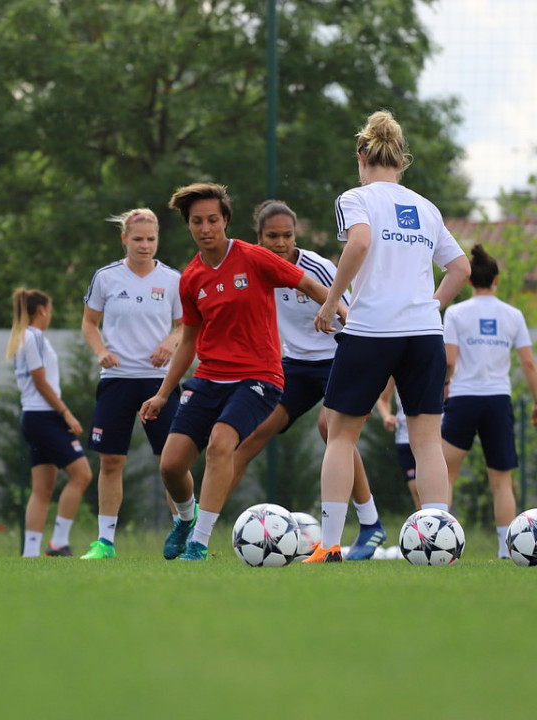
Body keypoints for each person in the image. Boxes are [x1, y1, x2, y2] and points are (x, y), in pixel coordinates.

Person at [138, 182, 341, 561]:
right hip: (210, 378)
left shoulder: (253, 257)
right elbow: (189, 342)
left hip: (260, 377)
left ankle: (198, 544)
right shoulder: (191, 279)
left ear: (226, 220)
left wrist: (342, 315)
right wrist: (163, 393)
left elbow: (310, 284)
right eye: (197, 221)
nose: (205, 228)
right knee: (171, 464)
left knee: (220, 444)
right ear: (189, 226)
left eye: (213, 219)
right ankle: (185, 519)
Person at [308, 109, 471, 563]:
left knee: (341, 436)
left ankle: (330, 545)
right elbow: (461, 269)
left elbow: (358, 243)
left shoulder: (355, 198)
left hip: (372, 329)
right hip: (424, 334)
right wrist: (432, 306)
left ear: (362, 155)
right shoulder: (426, 206)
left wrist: (330, 301)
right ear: (401, 160)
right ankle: (439, 545)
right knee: (427, 440)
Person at [230, 200, 387, 560]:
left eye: (287, 235)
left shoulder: (317, 267)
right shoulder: (253, 269)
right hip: (292, 367)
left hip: (337, 358)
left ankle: (371, 523)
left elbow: (351, 315)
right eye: (273, 236)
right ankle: (201, 533)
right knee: (250, 435)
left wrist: (370, 371)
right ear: (259, 237)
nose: (281, 242)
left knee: (330, 429)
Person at [79, 207, 191, 560]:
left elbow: (186, 326)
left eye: (151, 239)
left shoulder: (173, 279)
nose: (145, 246)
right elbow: (88, 323)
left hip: (160, 383)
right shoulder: (106, 278)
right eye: (138, 239)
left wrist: (170, 343)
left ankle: (187, 532)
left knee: (171, 462)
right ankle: (105, 543)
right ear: (124, 239)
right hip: (116, 381)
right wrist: (100, 351)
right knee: (111, 462)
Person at [441, 244, 537, 558]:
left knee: (446, 474)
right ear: (496, 280)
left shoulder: (455, 312)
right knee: (502, 481)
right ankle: (505, 551)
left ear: (469, 282)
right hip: (498, 401)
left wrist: (443, 385)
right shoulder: (513, 315)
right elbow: (528, 364)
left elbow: (450, 361)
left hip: (463, 400)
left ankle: (442, 543)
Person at [6, 288, 92, 557]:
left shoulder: (24, 338)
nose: (50, 315)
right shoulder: (34, 337)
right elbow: (41, 381)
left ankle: (30, 552)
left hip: (33, 417)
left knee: (42, 488)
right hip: (44, 417)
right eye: (50, 310)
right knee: (82, 475)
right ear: (42, 310)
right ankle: (58, 542)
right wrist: (65, 412)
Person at [376, 378, 420, 509]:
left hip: (436, 437)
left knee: (436, 490)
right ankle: (425, 528)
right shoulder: (395, 364)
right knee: (417, 492)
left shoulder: (435, 360)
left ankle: (442, 525)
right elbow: (383, 399)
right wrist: (386, 416)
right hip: (405, 437)